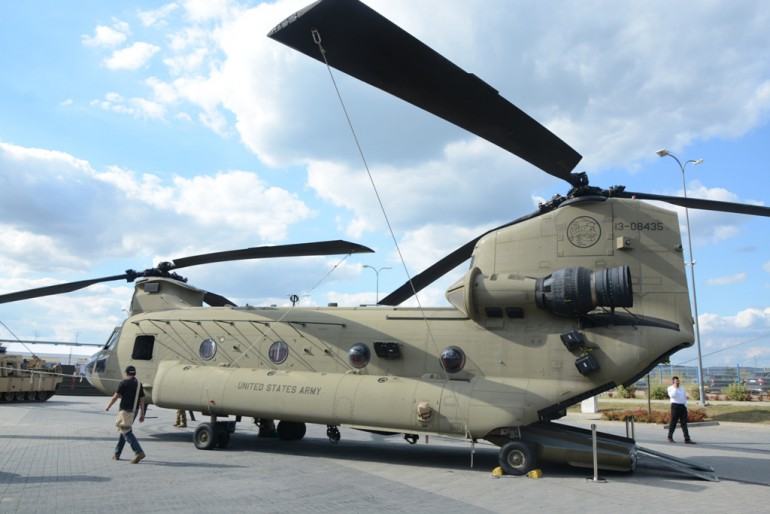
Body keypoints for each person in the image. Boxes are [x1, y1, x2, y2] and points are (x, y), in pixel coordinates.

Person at [106, 365, 147, 463]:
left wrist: (108, 406)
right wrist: (142, 414)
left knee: (126, 431)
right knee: (123, 430)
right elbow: (142, 400)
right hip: (135, 410)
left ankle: (138, 452)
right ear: (134, 373)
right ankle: (117, 454)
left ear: (126, 373)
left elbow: (115, 397)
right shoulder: (138, 384)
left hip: (125, 411)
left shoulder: (124, 382)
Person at [667, 376, 695, 444]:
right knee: (673, 422)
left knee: (684, 423)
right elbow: (672, 396)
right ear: (673, 382)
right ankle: (670, 436)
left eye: (678, 381)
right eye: (676, 381)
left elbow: (684, 398)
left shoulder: (682, 388)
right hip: (675, 406)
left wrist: (685, 406)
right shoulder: (670, 388)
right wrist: (675, 388)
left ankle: (687, 438)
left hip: (682, 406)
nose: (677, 382)